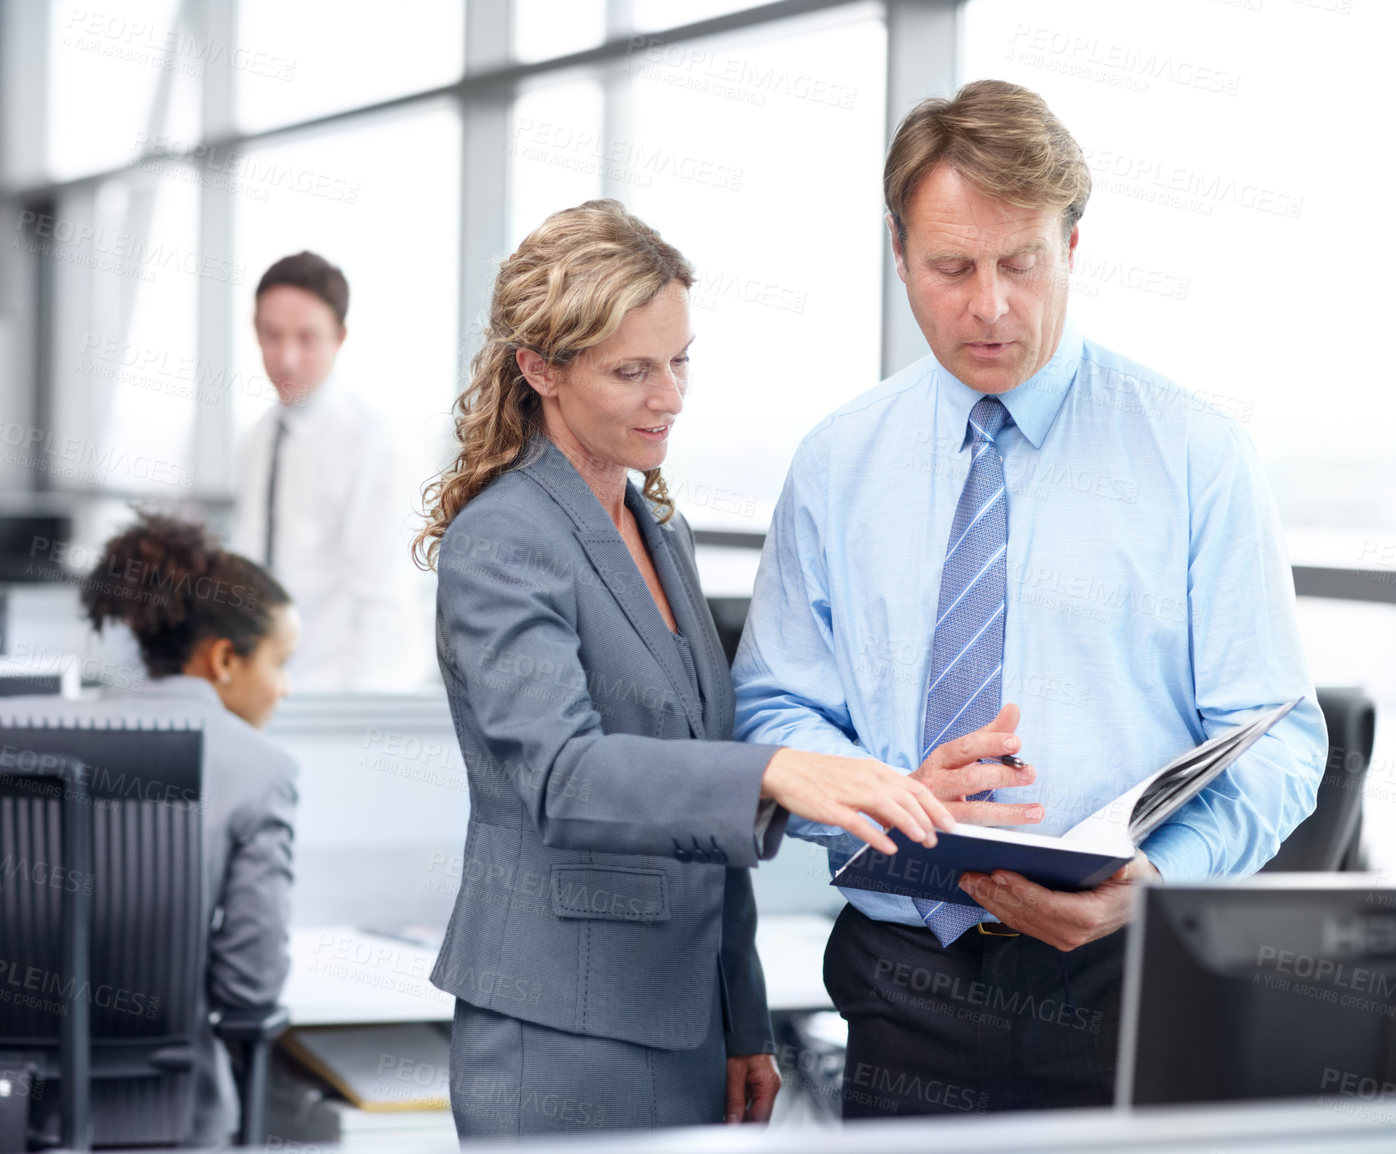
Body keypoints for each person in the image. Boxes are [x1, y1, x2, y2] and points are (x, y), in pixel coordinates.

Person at [732, 79, 1327, 1115]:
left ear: (1074, 247)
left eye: (1022, 262)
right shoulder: (835, 462)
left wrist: (1159, 876)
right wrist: (890, 791)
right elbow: (771, 707)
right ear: (896, 250)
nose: (990, 305)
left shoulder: (1196, 456)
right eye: (951, 267)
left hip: (1124, 980)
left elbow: (1279, 737)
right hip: (900, 977)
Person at [413, 200, 952, 1139]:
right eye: (632, 371)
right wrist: (779, 770)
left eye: (679, 360)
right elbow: (563, 774)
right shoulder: (501, 540)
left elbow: (700, 796)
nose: (671, 396)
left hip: (684, 1017)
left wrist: (740, 1019)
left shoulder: (660, 532)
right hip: (561, 1025)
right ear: (539, 368)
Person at [0, 512, 300, 1144]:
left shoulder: (9, 729)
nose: (285, 690)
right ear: (223, 660)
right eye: (280, 663)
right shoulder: (259, 768)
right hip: (165, 1115)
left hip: (0, 1110)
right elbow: (249, 989)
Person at [231, 251, 409, 692]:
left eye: (307, 338)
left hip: (334, 696)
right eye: (271, 335)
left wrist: (358, 728)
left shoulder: (371, 442)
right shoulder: (260, 437)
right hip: (262, 690)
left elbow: (383, 600)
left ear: (339, 337)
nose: (286, 358)